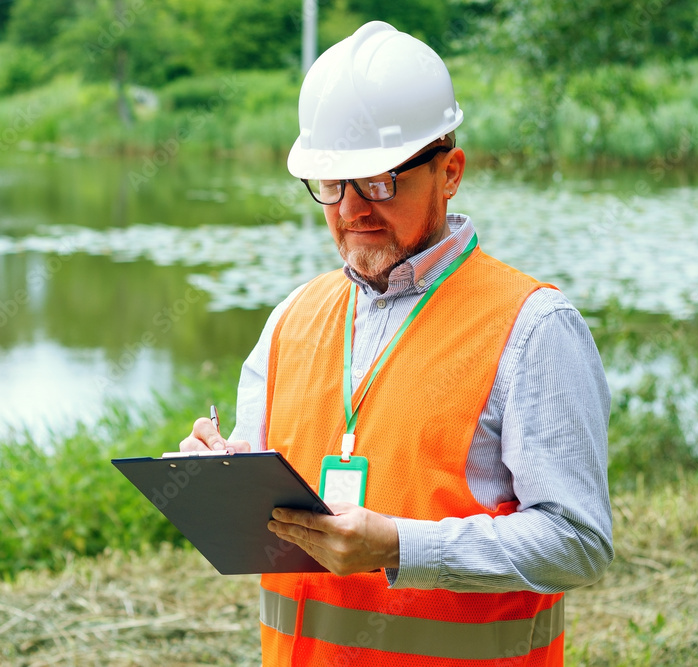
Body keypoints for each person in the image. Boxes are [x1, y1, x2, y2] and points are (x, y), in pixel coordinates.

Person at [179, 20, 613, 666]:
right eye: (331, 185)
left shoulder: (533, 327)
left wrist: (403, 547)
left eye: (379, 181)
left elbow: (578, 539)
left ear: (450, 171)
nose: (353, 207)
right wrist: (222, 477)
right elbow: (267, 511)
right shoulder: (290, 320)